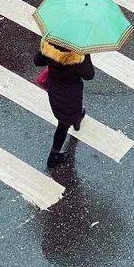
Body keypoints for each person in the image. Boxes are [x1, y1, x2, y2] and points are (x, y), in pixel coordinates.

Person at [34, 38, 94, 169]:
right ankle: (53, 156)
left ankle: (77, 118)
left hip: (54, 89)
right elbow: (89, 75)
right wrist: (86, 54)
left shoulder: (50, 45)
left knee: (68, 116)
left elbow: (37, 61)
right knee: (63, 124)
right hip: (70, 96)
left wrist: (46, 49)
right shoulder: (77, 57)